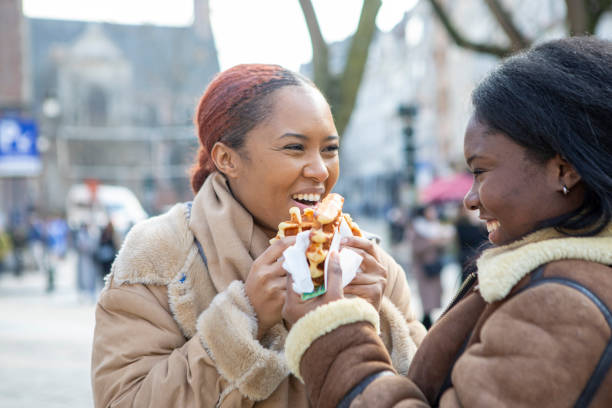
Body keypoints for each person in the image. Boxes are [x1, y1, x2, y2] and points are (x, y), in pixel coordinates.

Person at [282, 36, 612, 407]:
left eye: (481, 171)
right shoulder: (552, 277)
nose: (470, 199)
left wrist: (332, 333)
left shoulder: (562, 302)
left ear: (563, 170)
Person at [91, 64, 426, 407]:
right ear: (227, 159)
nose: (320, 170)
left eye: (329, 149)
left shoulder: (370, 261)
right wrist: (243, 317)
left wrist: (373, 324)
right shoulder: (159, 255)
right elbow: (123, 400)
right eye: (295, 148)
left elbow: (423, 390)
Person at [406, 204, 455, 328]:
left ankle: (428, 318)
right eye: (430, 211)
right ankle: (426, 319)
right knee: (426, 294)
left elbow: (443, 247)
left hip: (434, 265)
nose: (433, 213)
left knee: (435, 294)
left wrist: (443, 241)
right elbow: (415, 248)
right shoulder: (416, 227)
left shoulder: (435, 227)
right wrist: (431, 243)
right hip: (422, 267)